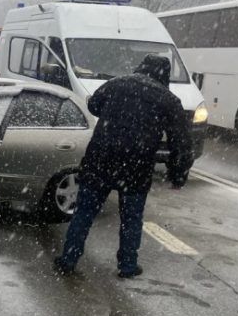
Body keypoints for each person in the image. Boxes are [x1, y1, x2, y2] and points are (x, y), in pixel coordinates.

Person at [53, 54, 193, 278]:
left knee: (85, 212)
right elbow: (182, 143)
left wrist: (116, 113)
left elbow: (94, 106)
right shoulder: (168, 100)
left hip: (100, 159)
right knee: (131, 218)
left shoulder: (117, 84)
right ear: (164, 75)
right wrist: (178, 175)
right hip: (136, 165)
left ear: (141, 67)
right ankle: (127, 266)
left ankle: (68, 259)